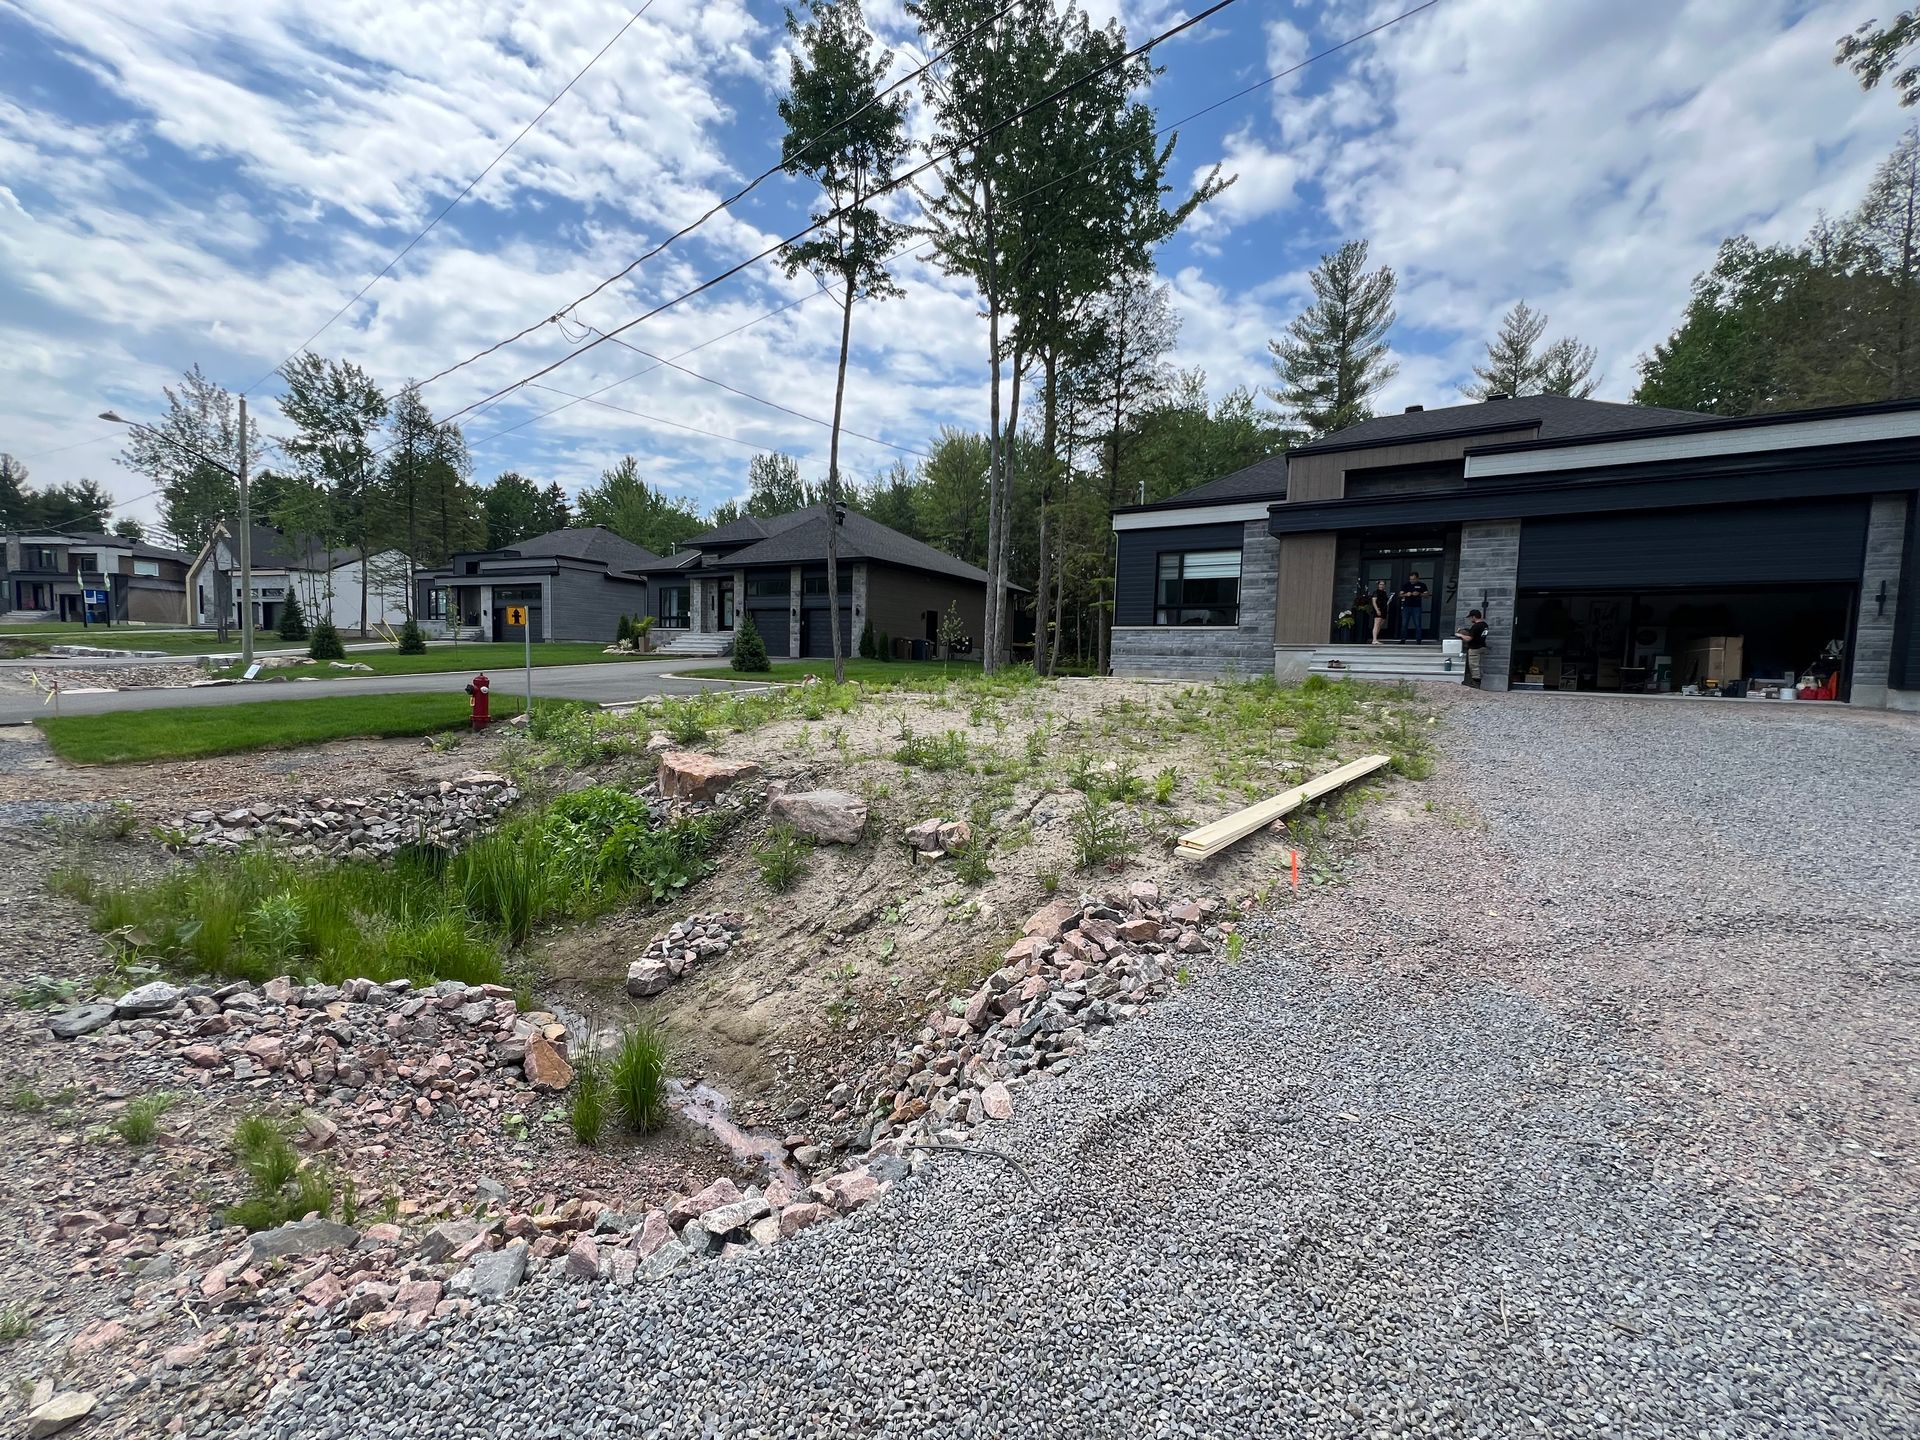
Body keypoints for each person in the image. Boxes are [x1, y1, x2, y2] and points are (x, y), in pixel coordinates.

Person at [1456, 608, 1488, 685]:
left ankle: (1476, 685)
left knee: (1474, 666)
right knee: (1479, 666)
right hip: (1482, 647)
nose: (1470, 619)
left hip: (1475, 648)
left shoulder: (1476, 626)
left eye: (1470, 617)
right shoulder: (1485, 625)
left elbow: (1469, 638)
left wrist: (1460, 634)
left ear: (1474, 617)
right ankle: (1476, 682)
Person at [1398, 570, 1430, 643]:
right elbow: (1399, 595)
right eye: (1410, 579)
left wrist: (1419, 594)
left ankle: (1418, 640)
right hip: (1406, 607)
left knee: (1417, 624)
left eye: (1413, 579)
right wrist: (1406, 594)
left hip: (1417, 607)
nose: (1411, 580)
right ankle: (1403, 640)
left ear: (1417, 578)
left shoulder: (1422, 585)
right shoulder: (1406, 585)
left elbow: (1427, 595)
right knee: (1404, 624)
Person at [1370, 580, 1391, 645]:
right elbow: (1374, 602)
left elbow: (1386, 601)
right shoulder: (1376, 592)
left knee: (1380, 624)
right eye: (1380, 584)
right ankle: (1374, 639)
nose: (1381, 586)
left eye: (1383, 584)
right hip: (1378, 609)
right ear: (1378, 585)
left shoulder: (1384, 593)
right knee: (1376, 624)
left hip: (1383, 609)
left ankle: (1376, 638)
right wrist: (1377, 610)